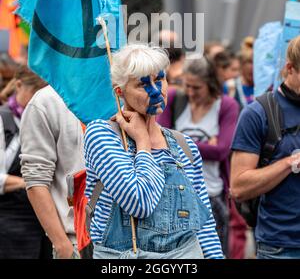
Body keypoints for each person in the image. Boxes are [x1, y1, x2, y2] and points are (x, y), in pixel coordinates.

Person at [84, 44, 223, 259]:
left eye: (160, 79)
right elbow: (139, 203)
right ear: (120, 91)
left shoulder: (183, 145)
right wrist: (142, 142)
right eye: (142, 84)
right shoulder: (102, 135)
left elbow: (202, 224)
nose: (156, 91)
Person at [158, 57, 239, 257]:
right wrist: (205, 144)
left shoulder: (226, 106)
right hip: (177, 194)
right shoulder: (176, 99)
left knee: (214, 250)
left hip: (212, 193)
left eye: (197, 88)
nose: (191, 93)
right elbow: (160, 140)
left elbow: (222, 151)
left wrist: (179, 140)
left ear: (210, 84)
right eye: (187, 86)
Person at [231, 36, 300, 259]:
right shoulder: (258, 113)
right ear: (290, 68)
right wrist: (290, 163)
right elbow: (239, 187)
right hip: (281, 246)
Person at [20, 84, 85, 259]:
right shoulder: (46, 101)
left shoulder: (124, 92)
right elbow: (36, 180)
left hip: (131, 245)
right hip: (77, 243)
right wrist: (62, 245)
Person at [0, 65, 51, 259]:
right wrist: (32, 183)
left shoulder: (44, 121)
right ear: (19, 86)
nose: (39, 101)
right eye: (35, 93)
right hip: (10, 224)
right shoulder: (3, 119)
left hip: (43, 222)